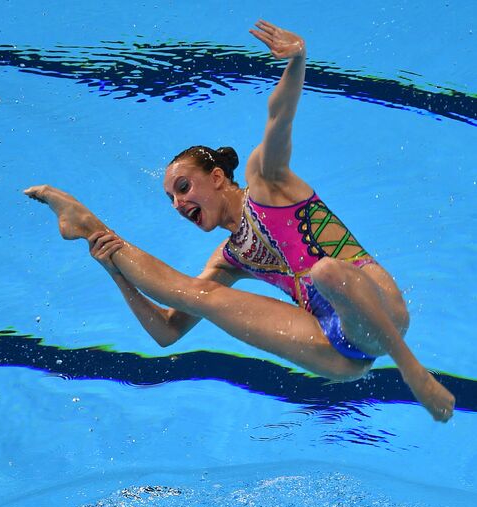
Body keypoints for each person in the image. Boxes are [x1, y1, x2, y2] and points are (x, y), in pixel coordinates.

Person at [24, 20, 455, 422]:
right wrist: (113, 271)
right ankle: (89, 226)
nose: (178, 204)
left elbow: (280, 118)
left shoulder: (268, 183)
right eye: (171, 198)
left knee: (326, 271)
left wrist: (297, 61)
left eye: (183, 187)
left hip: (381, 312)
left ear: (217, 178)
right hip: (336, 351)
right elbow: (167, 332)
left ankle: (413, 371)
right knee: (204, 296)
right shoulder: (230, 257)